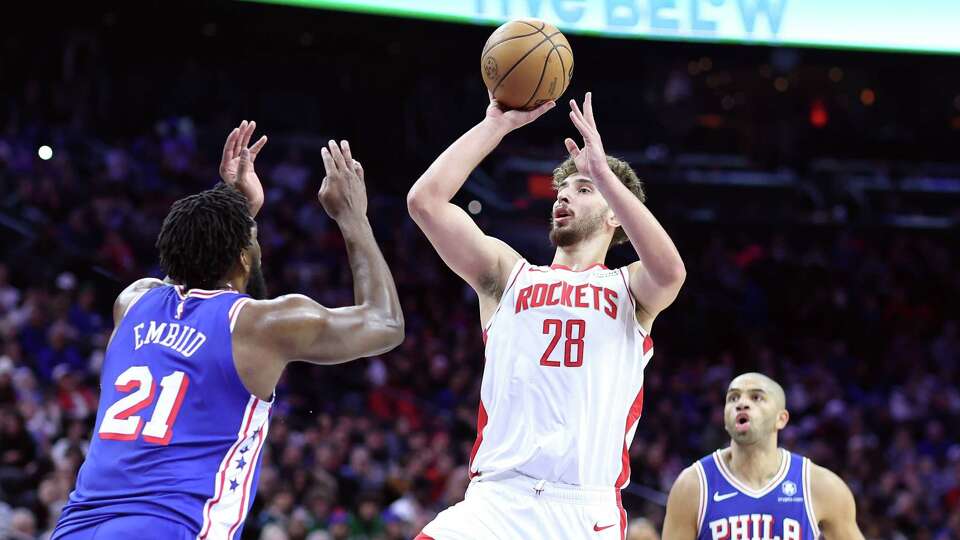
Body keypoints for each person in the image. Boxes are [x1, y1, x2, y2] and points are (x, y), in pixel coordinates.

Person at [52, 121, 404, 539]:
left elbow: (188, 264)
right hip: (171, 527)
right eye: (252, 243)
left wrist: (235, 205)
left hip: (77, 526)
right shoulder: (259, 324)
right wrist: (352, 217)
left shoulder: (132, 303)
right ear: (241, 258)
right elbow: (384, 323)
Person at [407, 93, 686, 539]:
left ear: (615, 212)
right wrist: (494, 126)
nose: (564, 196)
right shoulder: (507, 274)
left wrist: (605, 175)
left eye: (583, 188)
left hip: (582, 509)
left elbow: (671, 271)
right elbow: (425, 202)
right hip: (496, 501)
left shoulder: (630, 287)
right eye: (562, 189)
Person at [661, 373, 863, 540]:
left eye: (756, 397)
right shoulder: (693, 485)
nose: (741, 404)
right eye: (733, 398)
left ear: (781, 419)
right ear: (724, 418)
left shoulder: (820, 486)